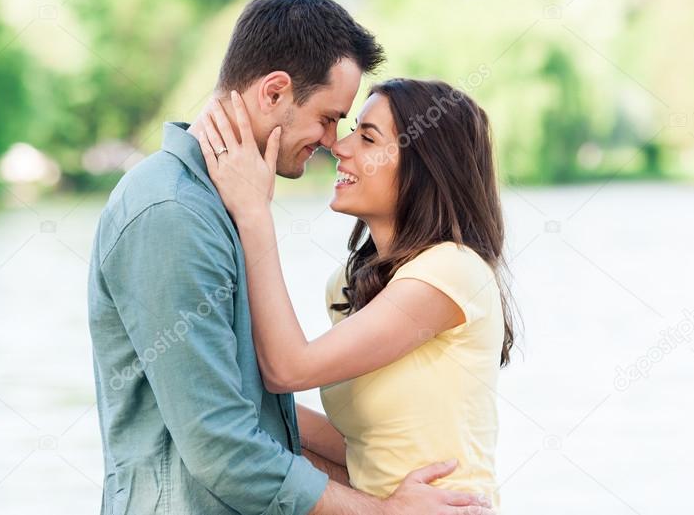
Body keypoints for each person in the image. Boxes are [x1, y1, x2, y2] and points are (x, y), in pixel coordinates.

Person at [87, 0, 494, 515]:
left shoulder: (224, 205)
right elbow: (222, 445)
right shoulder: (174, 212)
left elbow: (263, 407)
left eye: (357, 133)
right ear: (275, 92)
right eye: (330, 118)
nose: (333, 142)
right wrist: (380, 510)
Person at [194, 77, 516, 507]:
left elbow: (287, 369)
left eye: (367, 138)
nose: (340, 147)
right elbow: (363, 450)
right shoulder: (348, 285)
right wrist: (221, 407)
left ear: (425, 165)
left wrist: (253, 210)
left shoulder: (452, 270)